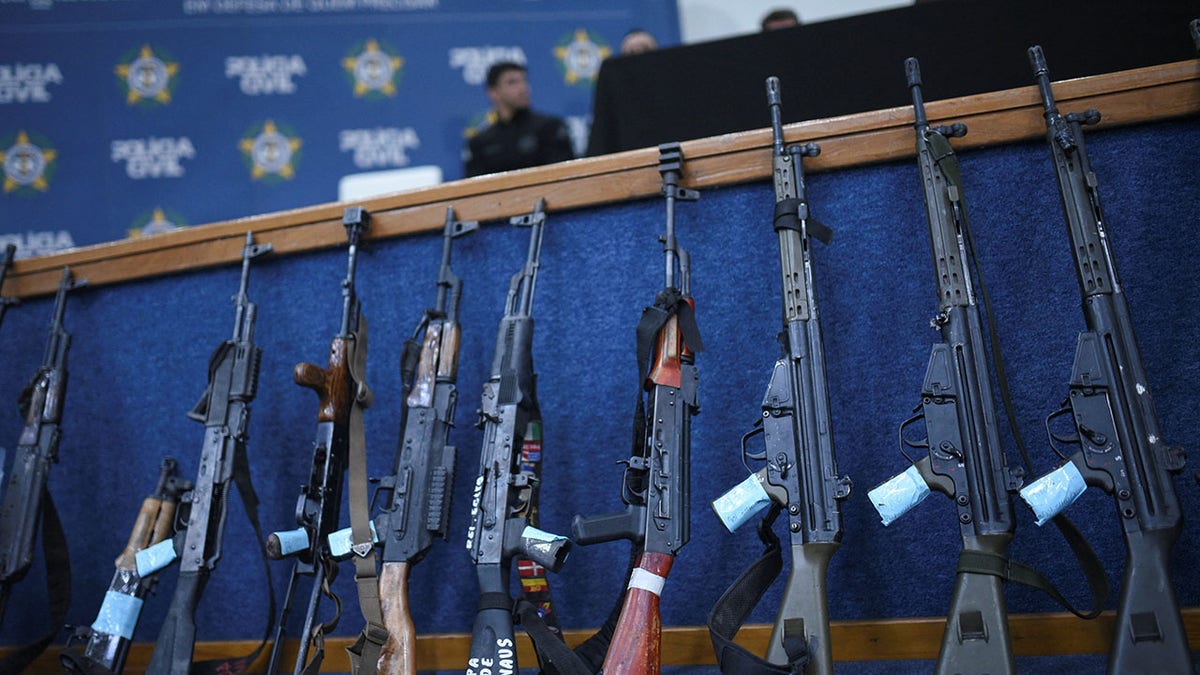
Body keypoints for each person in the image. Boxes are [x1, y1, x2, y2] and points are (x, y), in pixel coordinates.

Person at [463, 61, 574, 178]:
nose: (523, 88)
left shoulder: (549, 127)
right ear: (493, 92)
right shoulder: (480, 142)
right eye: (512, 82)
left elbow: (564, 176)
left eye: (524, 81)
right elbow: (475, 186)